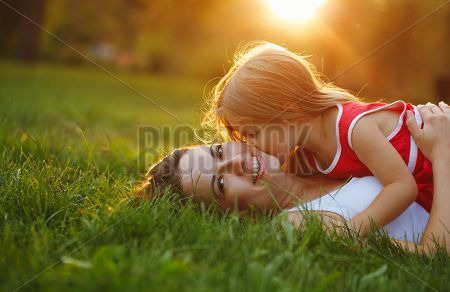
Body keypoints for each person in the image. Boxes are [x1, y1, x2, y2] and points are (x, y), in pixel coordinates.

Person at [139, 103, 449, 254]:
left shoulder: (311, 151)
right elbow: (434, 254)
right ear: (233, 217)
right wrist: (443, 154)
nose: (236, 162)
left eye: (219, 152)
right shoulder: (301, 224)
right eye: (220, 183)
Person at [204, 41, 439, 236]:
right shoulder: (306, 155)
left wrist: (354, 229)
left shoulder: (354, 129)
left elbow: (402, 187)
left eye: (253, 134)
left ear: (287, 111)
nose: (251, 147)